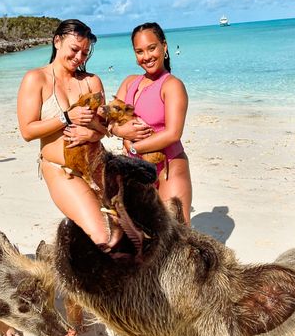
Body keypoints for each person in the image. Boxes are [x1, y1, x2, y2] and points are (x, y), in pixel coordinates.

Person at [17, 19, 121, 250]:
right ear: (57, 41)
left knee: (124, 232)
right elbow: (27, 130)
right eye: (74, 50)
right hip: (62, 171)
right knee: (104, 235)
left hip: (98, 166)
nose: (79, 58)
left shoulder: (92, 81)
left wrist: (92, 135)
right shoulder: (36, 79)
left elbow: (104, 129)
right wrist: (66, 117)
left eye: (84, 53)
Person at [112, 22, 192, 224]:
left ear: (164, 47)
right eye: (139, 51)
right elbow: (111, 122)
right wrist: (124, 131)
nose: (146, 56)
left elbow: (173, 134)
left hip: (168, 167)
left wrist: (133, 148)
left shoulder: (172, 85)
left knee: (177, 237)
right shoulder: (130, 82)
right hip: (136, 171)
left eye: (151, 48)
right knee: (143, 239)